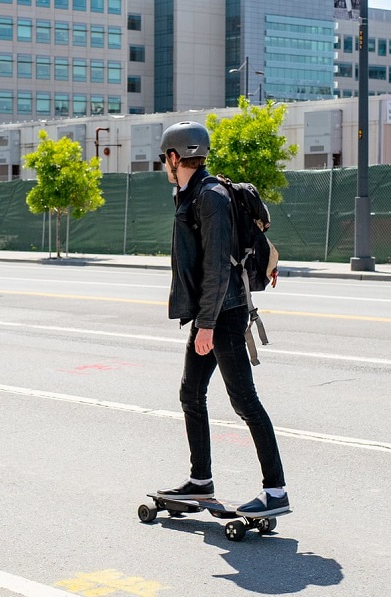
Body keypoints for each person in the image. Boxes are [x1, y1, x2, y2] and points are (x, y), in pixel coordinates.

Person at [155, 121, 289, 517]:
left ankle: (276, 490)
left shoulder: (210, 197)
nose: (165, 165)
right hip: (210, 312)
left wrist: (208, 325)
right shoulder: (192, 193)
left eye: (166, 158)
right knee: (190, 393)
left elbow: (216, 265)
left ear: (176, 157)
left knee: (245, 401)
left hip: (224, 314)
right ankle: (201, 480)